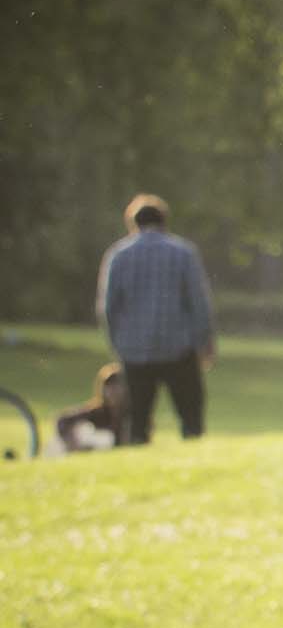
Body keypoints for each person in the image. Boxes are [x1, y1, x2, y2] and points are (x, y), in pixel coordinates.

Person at [96, 192, 213, 442]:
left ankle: (138, 457)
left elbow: (108, 307)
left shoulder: (118, 255)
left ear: (132, 223)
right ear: (164, 221)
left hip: (135, 350)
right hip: (178, 348)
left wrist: (117, 343)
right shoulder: (183, 253)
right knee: (191, 417)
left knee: (137, 421)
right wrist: (204, 342)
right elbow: (199, 303)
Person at [55, 364, 129, 452]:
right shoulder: (97, 411)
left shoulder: (131, 414)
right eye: (108, 386)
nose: (112, 391)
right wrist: (71, 441)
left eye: (117, 386)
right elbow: (63, 419)